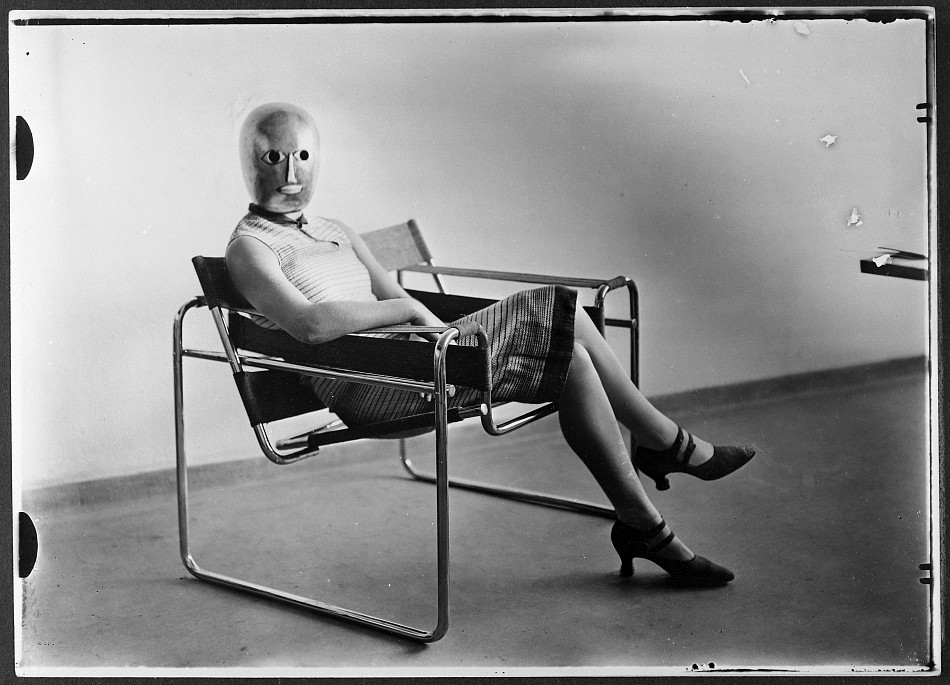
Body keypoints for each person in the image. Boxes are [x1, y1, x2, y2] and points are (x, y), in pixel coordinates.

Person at [225, 102, 756, 587]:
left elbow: (389, 290)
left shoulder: (335, 228)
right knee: (556, 307)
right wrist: (411, 313)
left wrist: (426, 327)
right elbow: (311, 326)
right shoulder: (250, 248)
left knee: (569, 352)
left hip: (420, 361)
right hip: (374, 387)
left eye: (301, 155)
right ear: (250, 162)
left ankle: (647, 523)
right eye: (273, 156)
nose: (290, 173)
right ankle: (667, 445)